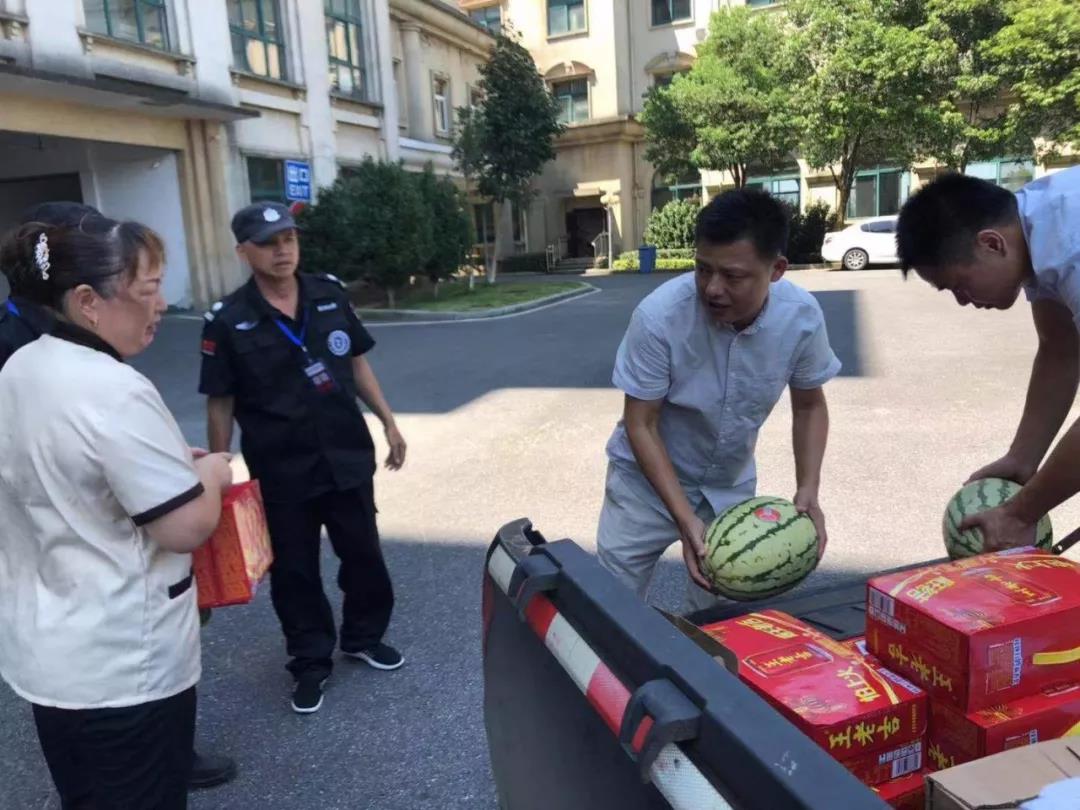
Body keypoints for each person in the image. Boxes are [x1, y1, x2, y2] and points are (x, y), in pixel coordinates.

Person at [0, 201, 238, 792]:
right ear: (87, 301)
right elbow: (183, 528)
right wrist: (213, 474)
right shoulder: (114, 388)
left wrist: (162, 465)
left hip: (53, 654)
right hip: (124, 664)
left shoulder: (22, 367)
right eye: (148, 289)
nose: (161, 304)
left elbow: (60, 470)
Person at [199, 202, 406, 714]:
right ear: (243, 252)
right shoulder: (228, 321)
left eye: (289, 239)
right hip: (281, 468)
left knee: (364, 553)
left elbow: (356, 363)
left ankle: (363, 636)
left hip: (345, 453)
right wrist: (220, 468)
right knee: (295, 571)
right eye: (268, 243)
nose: (282, 250)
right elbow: (220, 400)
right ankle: (310, 661)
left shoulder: (329, 295)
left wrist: (388, 420)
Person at [597, 188, 840, 609]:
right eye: (702, 269)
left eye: (733, 276)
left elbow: (809, 405)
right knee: (611, 607)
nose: (712, 288)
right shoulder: (659, 318)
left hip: (728, 484)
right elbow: (641, 423)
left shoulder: (801, 318)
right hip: (643, 488)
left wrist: (808, 489)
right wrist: (684, 517)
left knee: (718, 615)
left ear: (776, 269)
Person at [896, 166, 1080, 551]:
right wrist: (1022, 458)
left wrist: (1020, 513)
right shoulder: (1034, 229)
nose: (963, 301)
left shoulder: (1071, 247)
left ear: (992, 244)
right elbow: (1060, 349)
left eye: (960, 285)